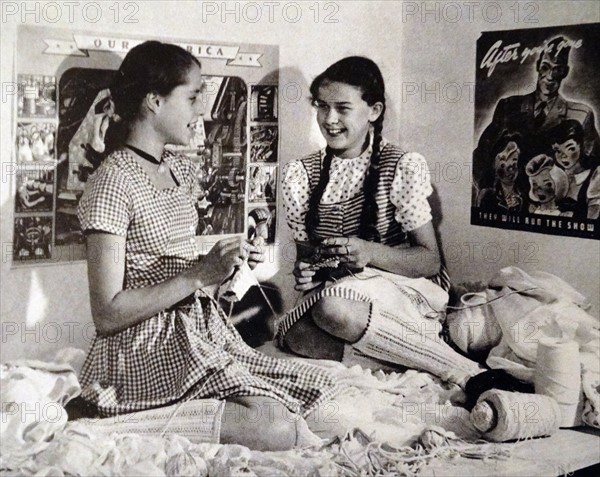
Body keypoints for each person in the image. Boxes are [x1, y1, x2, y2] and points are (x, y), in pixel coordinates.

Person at [76, 41, 340, 451]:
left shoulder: (178, 170)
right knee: (276, 429)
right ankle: (109, 425)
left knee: (319, 399)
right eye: (194, 95)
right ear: (154, 101)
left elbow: (171, 269)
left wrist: (224, 267)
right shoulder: (112, 182)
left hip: (194, 332)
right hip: (139, 349)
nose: (201, 108)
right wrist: (197, 273)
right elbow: (107, 313)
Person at [277, 56, 482, 388]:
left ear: (373, 111)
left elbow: (429, 261)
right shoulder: (300, 174)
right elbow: (309, 258)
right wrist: (307, 273)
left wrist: (369, 253)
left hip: (404, 293)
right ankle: (404, 359)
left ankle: (457, 368)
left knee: (331, 310)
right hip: (344, 296)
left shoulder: (402, 165)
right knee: (296, 336)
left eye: (343, 108)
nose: (329, 119)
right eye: (321, 107)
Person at [474, 36, 600, 192]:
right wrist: (485, 190)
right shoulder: (509, 106)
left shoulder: (581, 115)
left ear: (565, 72)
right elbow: (481, 155)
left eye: (558, 70)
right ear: (538, 66)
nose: (550, 76)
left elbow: (594, 166)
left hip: (549, 203)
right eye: (546, 67)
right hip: (509, 203)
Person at [549, 119, 600, 220]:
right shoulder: (554, 174)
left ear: (581, 146)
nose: (563, 156)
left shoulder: (595, 175)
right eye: (557, 151)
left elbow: (592, 219)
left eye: (570, 148)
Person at [476, 132, 524, 214]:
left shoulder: (525, 194)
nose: (509, 166)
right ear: (494, 164)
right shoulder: (487, 196)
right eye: (503, 160)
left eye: (514, 159)